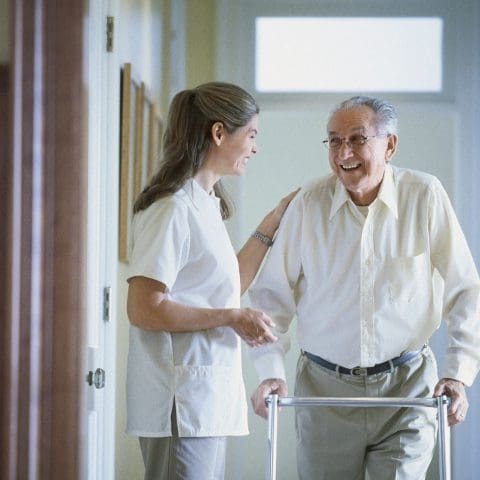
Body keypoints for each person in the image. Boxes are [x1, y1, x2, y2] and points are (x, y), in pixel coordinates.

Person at [249, 96, 480, 479]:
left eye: (357, 139)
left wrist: (458, 372)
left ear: (390, 145)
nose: (345, 153)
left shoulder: (424, 195)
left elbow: (464, 288)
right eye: (335, 141)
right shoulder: (309, 203)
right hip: (325, 392)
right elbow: (269, 299)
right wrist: (269, 370)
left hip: (407, 388)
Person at [125, 81, 296, 480]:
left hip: (203, 398)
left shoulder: (207, 203)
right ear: (219, 133)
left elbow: (229, 282)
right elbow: (143, 307)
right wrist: (231, 317)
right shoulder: (171, 208)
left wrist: (273, 222)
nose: (255, 147)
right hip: (178, 403)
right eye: (251, 135)